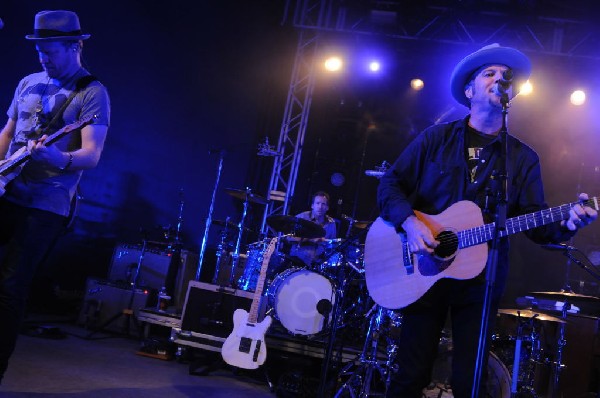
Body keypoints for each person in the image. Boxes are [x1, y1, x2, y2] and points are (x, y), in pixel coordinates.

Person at [377, 43, 597, 397]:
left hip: (481, 278)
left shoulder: (522, 159)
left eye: (504, 76)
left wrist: (568, 222)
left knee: (471, 382)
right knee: (410, 375)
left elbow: (533, 220)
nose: (499, 79)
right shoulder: (436, 139)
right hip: (422, 266)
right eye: (488, 73)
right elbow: (391, 184)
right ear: (469, 90)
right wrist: (411, 223)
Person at [0, 10, 110, 383]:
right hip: (7, 190)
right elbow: (7, 134)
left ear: (75, 46)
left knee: (10, 287)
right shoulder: (28, 81)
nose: (44, 58)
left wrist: (58, 157)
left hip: (46, 203)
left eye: (52, 51)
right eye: (40, 51)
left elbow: (91, 155)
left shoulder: (92, 93)